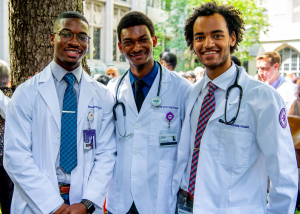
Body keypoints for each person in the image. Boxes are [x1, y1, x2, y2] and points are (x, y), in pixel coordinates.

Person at [172, 2, 298, 213]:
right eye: (200, 37)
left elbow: (283, 172)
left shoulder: (262, 97)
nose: (208, 43)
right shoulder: (195, 92)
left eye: (217, 35)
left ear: (232, 38)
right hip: (187, 205)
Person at [4, 11, 116, 214]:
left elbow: (107, 154)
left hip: (83, 203)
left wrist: (87, 203)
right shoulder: (26, 93)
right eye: (66, 34)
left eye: (82, 37)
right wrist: (53, 205)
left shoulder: (102, 96)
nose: (75, 42)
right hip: (36, 202)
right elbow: (15, 155)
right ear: (52, 38)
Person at [106, 11, 192, 214]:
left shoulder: (181, 89)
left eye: (143, 39)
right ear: (120, 47)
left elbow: (188, 149)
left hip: (160, 199)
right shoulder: (112, 89)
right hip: (120, 200)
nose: (136, 47)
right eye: (128, 42)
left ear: (153, 40)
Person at [0, 60, 13, 214]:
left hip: (5, 154)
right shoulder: (11, 95)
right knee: (7, 194)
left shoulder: (9, 96)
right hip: (5, 153)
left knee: (7, 194)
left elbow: (7, 112)